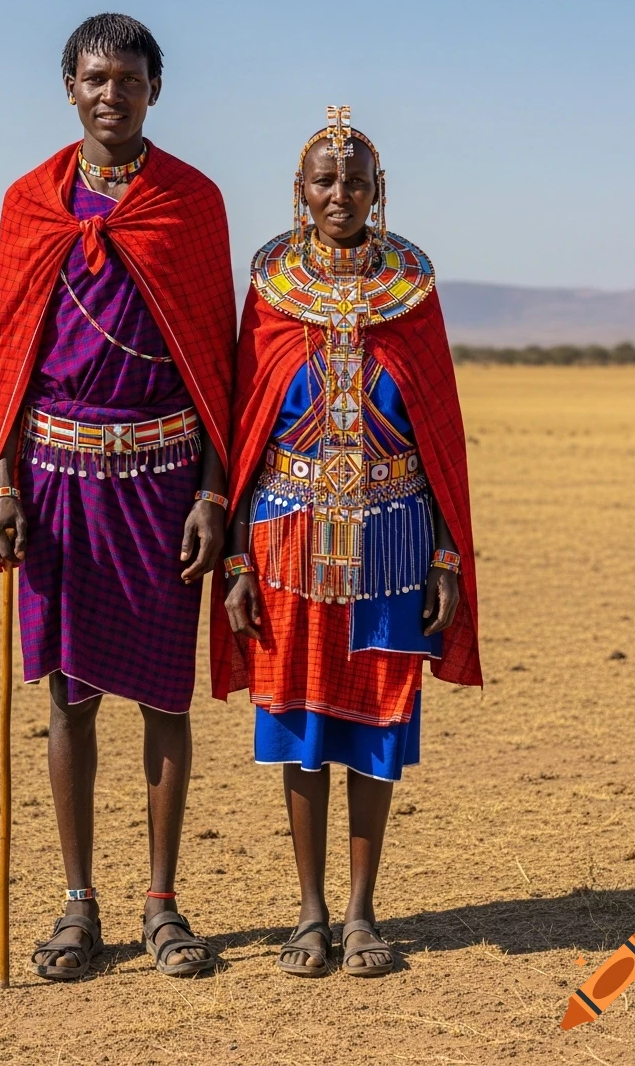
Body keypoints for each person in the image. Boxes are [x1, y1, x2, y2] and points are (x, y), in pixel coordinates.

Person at [0, 13, 236, 980]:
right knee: (69, 698)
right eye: (95, 78)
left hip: (165, 483)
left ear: (154, 91)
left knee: (165, 698)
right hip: (53, 481)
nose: (111, 94)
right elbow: (7, 354)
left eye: (129, 79)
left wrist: (215, 496)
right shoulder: (30, 204)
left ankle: (163, 904)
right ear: (70, 88)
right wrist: (0, 481)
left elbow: (221, 363)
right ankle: (79, 903)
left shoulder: (191, 203)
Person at [211, 107, 482, 977]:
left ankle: (363, 914)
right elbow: (246, 427)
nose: (340, 193)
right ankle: (309, 913)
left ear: (378, 190)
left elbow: (440, 429)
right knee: (297, 723)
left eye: (355, 179)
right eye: (324, 179)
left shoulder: (412, 293)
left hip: (397, 536)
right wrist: (238, 558)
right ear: (301, 191)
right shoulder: (272, 293)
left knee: (377, 723)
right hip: (285, 535)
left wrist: (446, 553)